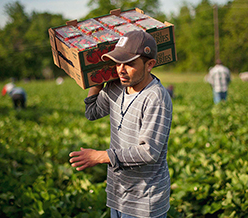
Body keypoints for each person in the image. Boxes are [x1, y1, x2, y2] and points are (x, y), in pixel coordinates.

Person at [69, 30, 173, 218]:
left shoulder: (156, 98)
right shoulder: (116, 86)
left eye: (130, 64)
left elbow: (148, 152)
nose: (121, 70)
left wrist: (100, 156)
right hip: (118, 194)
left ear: (150, 64)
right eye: (117, 63)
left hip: (144, 201)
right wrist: (97, 80)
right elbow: (92, 113)